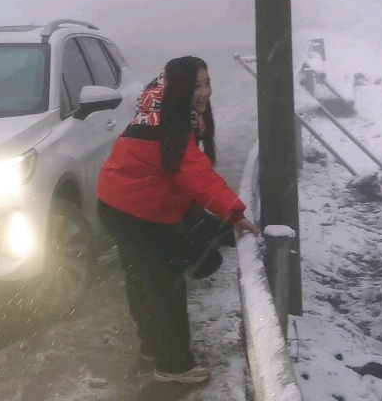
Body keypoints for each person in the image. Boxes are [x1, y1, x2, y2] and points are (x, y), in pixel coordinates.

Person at [96, 56, 261, 385]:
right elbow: (197, 175)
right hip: (134, 213)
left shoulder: (162, 112)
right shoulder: (167, 125)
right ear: (179, 88)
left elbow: (183, 175)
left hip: (119, 204)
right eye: (195, 86)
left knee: (142, 280)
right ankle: (172, 364)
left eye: (207, 83)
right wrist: (234, 214)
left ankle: (151, 348)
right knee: (164, 285)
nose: (204, 92)